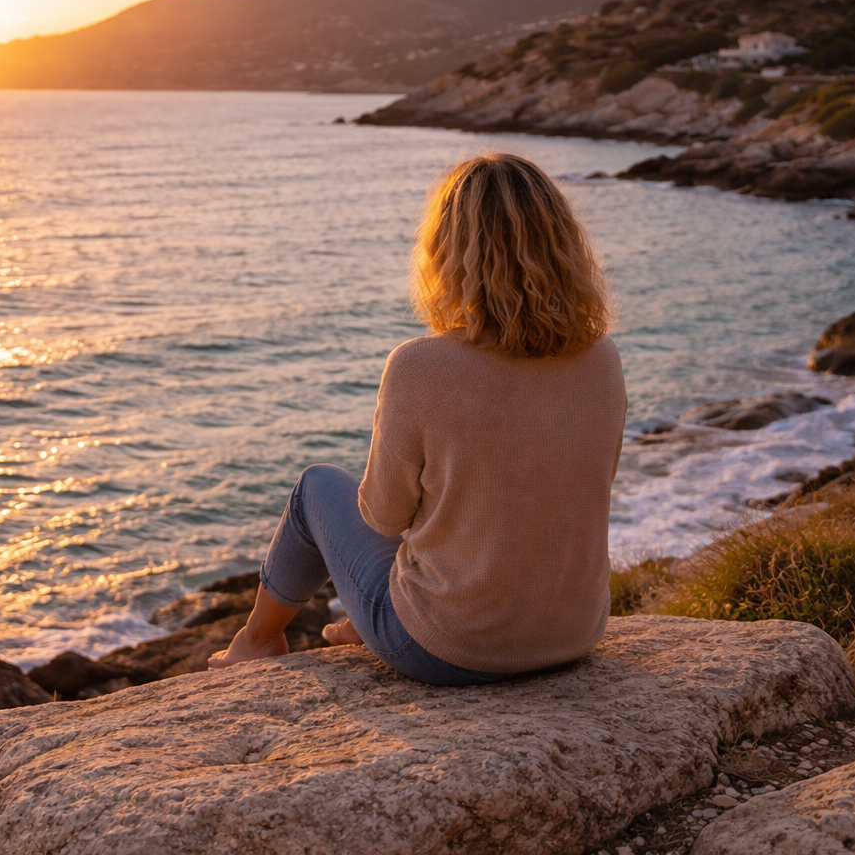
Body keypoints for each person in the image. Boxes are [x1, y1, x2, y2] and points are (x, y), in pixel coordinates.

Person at [208, 152, 627, 685]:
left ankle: (256, 640)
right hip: (573, 633)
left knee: (315, 487)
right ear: (564, 244)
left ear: (448, 254)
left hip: (446, 650)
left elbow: (383, 516)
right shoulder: (602, 358)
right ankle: (362, 625)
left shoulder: (420, 366)